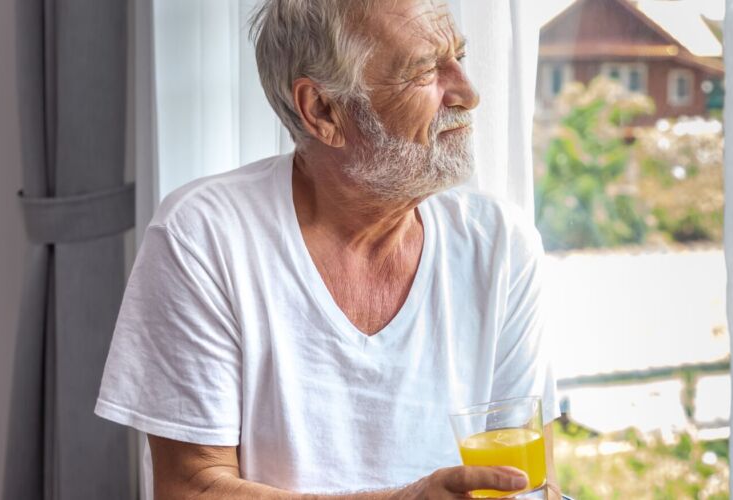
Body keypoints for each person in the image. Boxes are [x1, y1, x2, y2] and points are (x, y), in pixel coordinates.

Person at [94, 0, 561, 497]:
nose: (468, 93)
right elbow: (191, 489)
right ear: (322, 110)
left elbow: (530, 483)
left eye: (458, 60)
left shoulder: (501, 246)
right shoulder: (204, 236)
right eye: (424, 70)